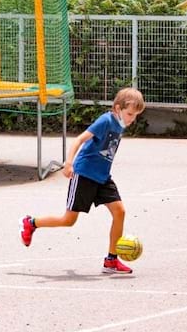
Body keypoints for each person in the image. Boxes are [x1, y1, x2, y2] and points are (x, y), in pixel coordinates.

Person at [19, 87, 145, 274]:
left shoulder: (120, 124)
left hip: (102, 177)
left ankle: (111, 260)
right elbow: (79, 140)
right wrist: (69, 163)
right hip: (84, 174)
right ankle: (32, 223)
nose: (131, 119)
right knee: (68, 220)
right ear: (118, 108)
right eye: (129, 114)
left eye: (135, 116)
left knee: (120, 211)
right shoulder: (106, 120)